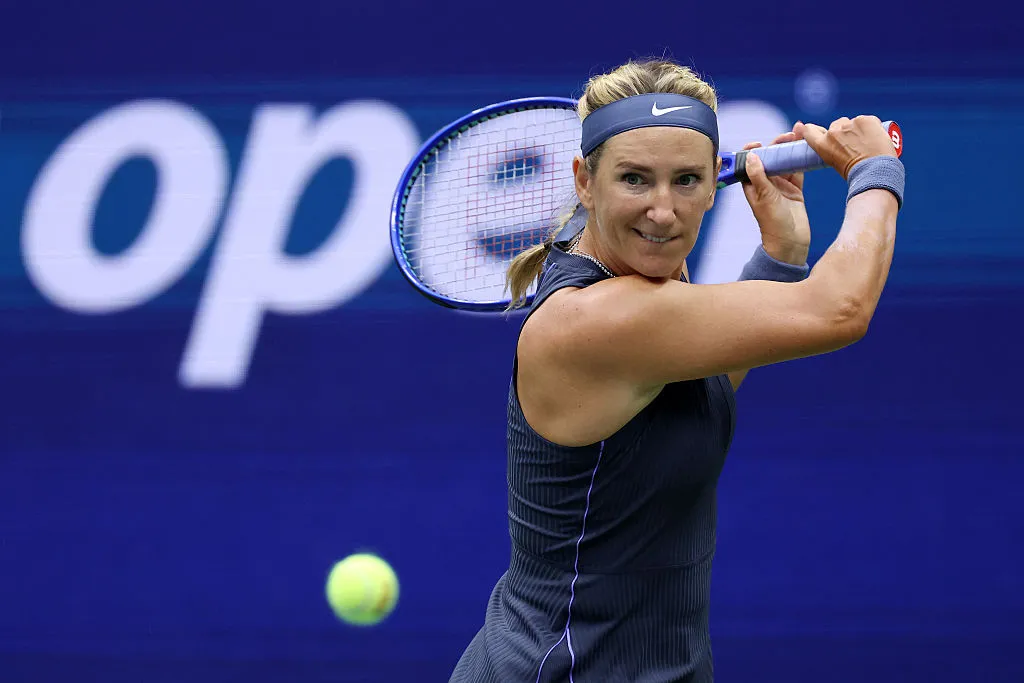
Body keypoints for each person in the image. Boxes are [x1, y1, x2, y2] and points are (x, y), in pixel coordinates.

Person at [448, 58, 904, 682]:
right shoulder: (597, 319)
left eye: (687, 180)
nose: (663, 212)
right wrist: (875, 173)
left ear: (711, 184)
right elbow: (841, 309)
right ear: (585, 181)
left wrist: (782, 253)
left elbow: (692, 396)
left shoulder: (640, 283)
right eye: (635, 180)